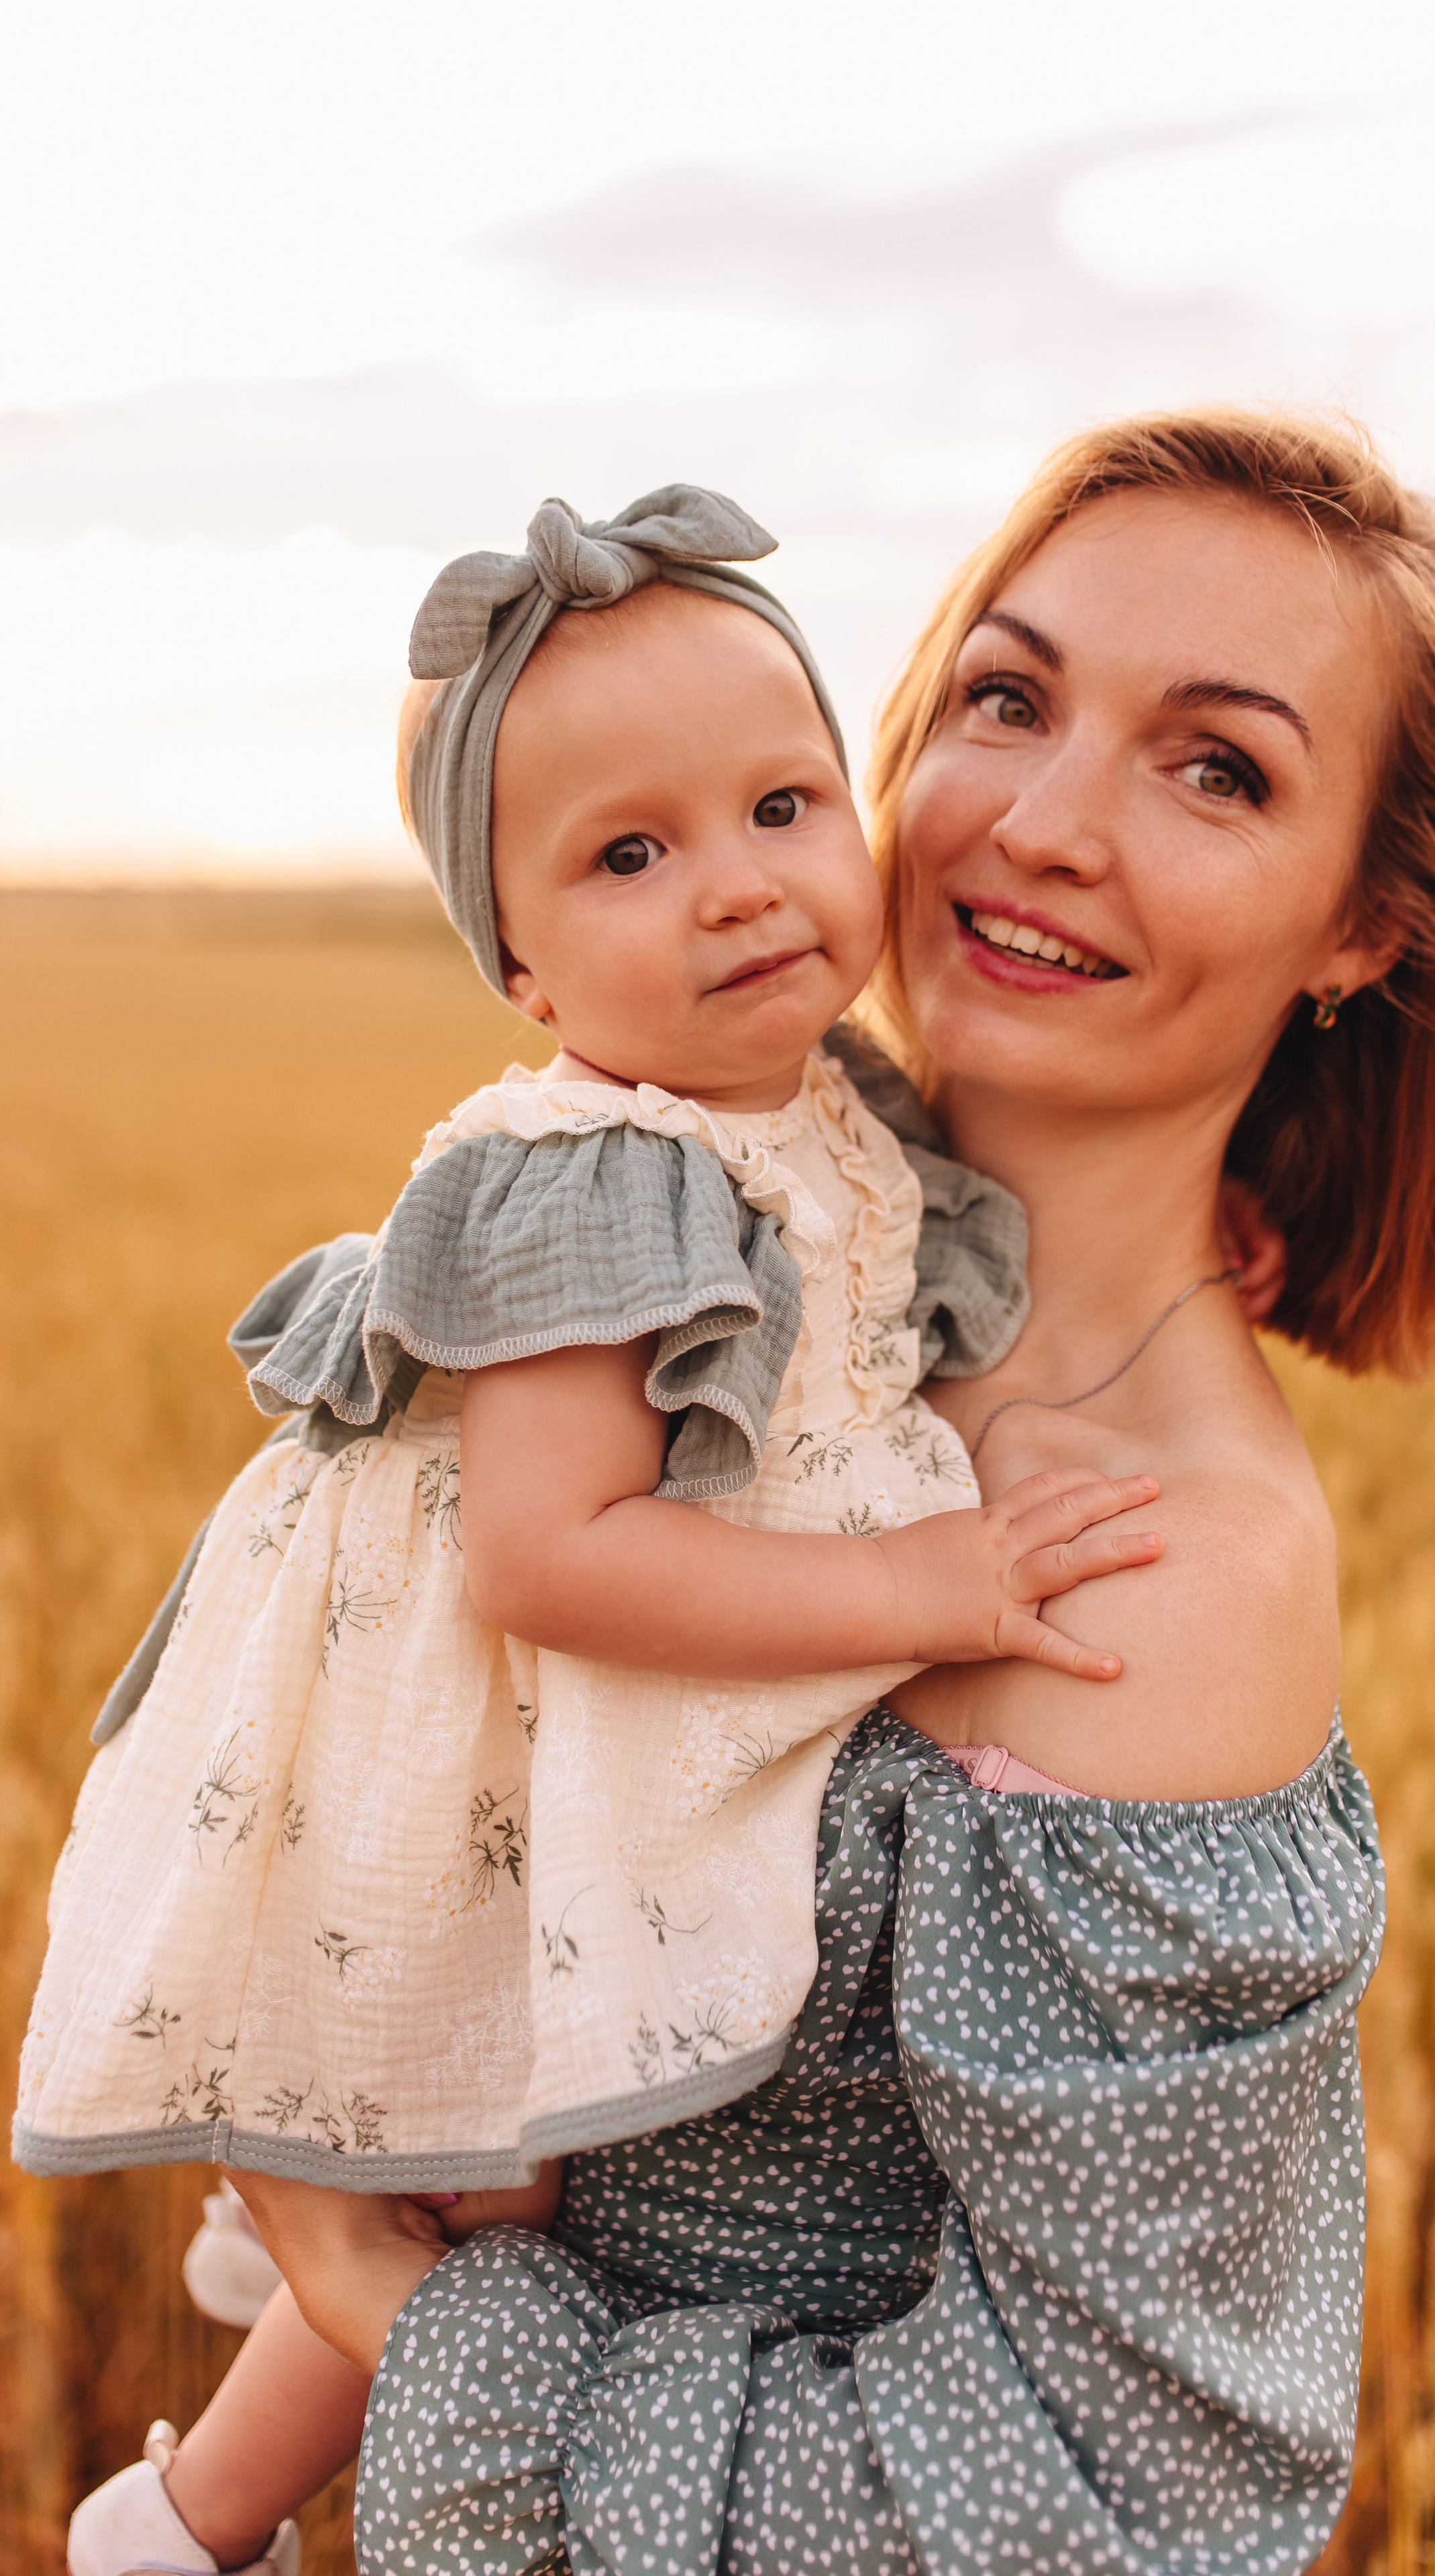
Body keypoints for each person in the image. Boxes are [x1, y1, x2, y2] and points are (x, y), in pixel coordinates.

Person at [41, 485, 1197, 2576]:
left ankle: (259, 2307)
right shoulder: (595, 1187)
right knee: (505, 2191)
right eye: (632, 856)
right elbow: (547, 1562)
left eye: (782, 803)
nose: (740, 889)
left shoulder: (826, 1110)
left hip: (601, 1706)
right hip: (506, 1728)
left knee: (508, 2165)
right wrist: (905, 1584)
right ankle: (184, 2522)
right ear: (523, 962)